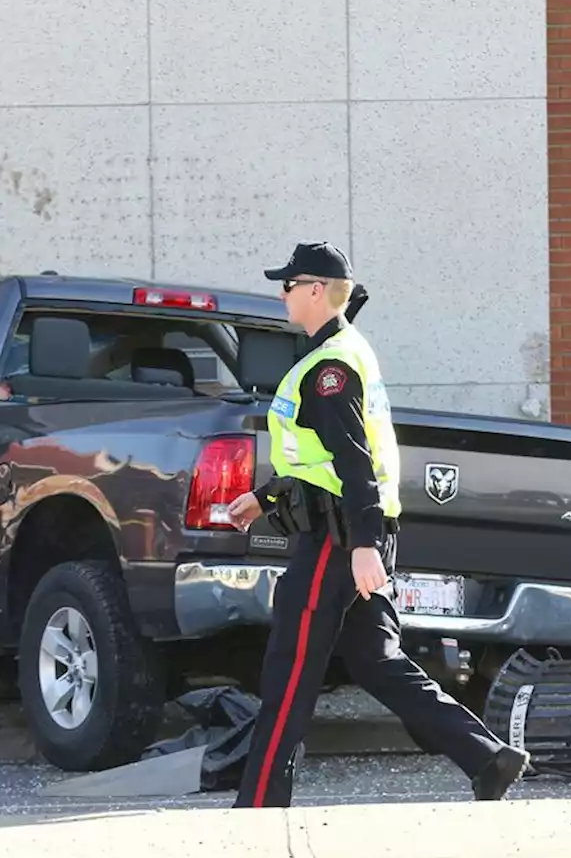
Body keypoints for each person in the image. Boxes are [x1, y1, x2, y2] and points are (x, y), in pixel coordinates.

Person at [227, 241, 530, 809]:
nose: (282, 294)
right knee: (376, 661)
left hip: (339, 540)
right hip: (357, 533)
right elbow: (316, 460)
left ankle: (259, 808)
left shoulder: (329, 369)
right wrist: (264, 497)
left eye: (289, 285)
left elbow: (353, 462)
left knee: (289, 671)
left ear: (316, 290)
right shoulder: (343, 352)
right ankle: (486, 757)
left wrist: (361, 546)